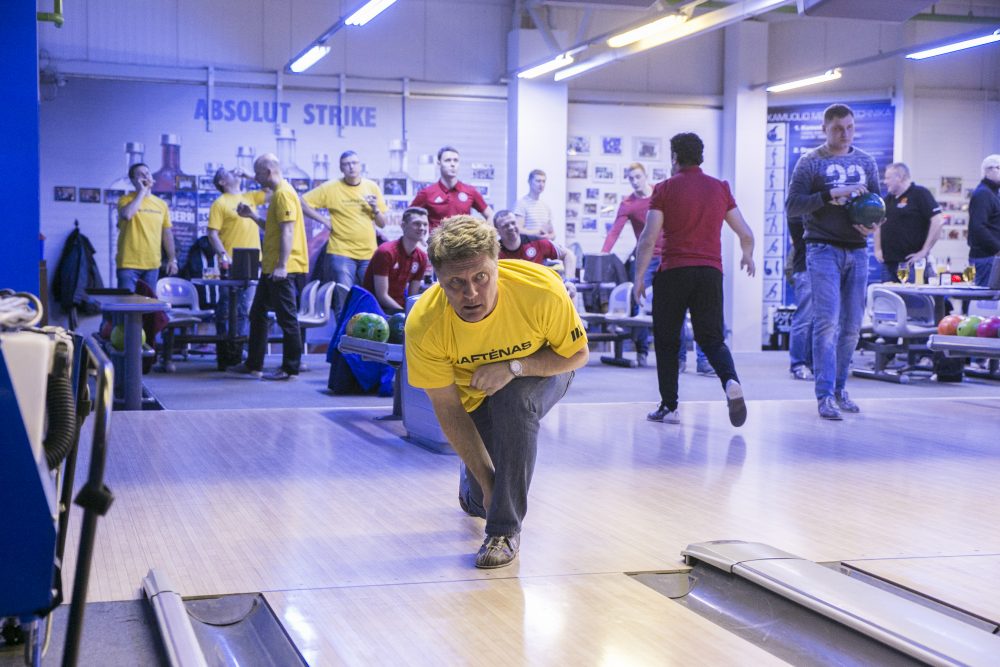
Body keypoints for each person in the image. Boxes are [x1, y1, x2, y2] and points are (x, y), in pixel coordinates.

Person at [405, 215, 588, 569]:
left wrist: (513, 367)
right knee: (481, 498)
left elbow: (578, 354)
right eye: (456, 283)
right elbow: (448, 407)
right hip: (474, 395)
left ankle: (503, 532)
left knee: (514, 400)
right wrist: (488, 486)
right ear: (437, 279)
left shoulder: (541, 290)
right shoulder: (425, 325)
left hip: (546, 369)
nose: (471, 293)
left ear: (497, 264)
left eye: (481, 277)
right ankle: (473, 488)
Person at [634, 133, 755, 427]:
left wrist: (639, 278)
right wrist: (747, 255)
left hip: (674, 272)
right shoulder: (720, 188)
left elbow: (648, 238)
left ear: (675, 156)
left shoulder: (664, 188)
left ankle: (669, 407)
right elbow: (745, 233)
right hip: (710, 274)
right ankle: (730, 381)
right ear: (700, 156)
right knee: (711, 339)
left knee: (667, 341)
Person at [786, 103, 881, 420]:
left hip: (858, 250)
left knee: (852, 327)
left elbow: (877, 204)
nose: (845, 133)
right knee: (827, 323)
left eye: (850, 127)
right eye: (838, 128)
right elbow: (793, 206)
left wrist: (873, 225)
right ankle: (824, 395)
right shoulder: (810, 162)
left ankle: (840, 389)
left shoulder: (866, 161)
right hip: (822, 249)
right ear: (825, 128)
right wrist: (831, 194)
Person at [602, 162, 709, 371]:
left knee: (676, 304)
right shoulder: (628, 204)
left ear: (645, 176)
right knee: (639, 301)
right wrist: (603, 254)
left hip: (670, 255)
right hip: (646, 258)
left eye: (638, 177)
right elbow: (614, 231)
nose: (635, 181)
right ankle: (642, 351)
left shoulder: (661, 193)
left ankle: (679, 358)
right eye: (631, 178)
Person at [229, 153, 309, 381]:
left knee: (287, 319)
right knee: (257, 314)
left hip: (283, 268)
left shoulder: (283, 193)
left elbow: (288, 231)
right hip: (271, 267)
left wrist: (282, 265)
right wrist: (252, 216)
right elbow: (275, 228)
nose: (255, 178)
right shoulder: (278, 193)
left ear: (268, 172)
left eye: (257, 173)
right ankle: (254, 365)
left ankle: (290, 369)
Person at [301, 150, 387, 312]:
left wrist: (375, 209)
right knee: (343, 298)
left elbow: (382, 224)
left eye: (354, 163)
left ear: (360, 166)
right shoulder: (330, 187)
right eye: (346, 164)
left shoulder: (371, 187)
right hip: (341, 252)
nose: (351, 167)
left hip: (369, 253)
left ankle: (364, 329)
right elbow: (301, 202)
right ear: (341, 168)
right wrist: (324, 221)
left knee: (369, 298)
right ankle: (343, 328)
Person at [206, 166, 267, 349]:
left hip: (253, 260)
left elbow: (272, 190)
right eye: (229, 172)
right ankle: (224, 347)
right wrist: (224, 256)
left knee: (246, 307)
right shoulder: (220, 203)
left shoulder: (251, 196)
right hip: (230, 262)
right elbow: (212, 234)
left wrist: (251, 176)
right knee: (226, 306)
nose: (235, 172)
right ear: (222, 182)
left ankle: (239, 348)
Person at [875, 162, 944, 283]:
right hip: (888, 264)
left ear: (900, 177)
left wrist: (924, 251)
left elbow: (938, 221)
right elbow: (878, 224)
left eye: (888, 178)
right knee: (886, 296)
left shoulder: (920, 194)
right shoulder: (887, 200)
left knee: (910, 295)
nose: (885, 182)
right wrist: (877, 249)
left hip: (911, 264)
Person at [116, 162, 177, 291]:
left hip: (152, 265)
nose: (146, 176)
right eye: (140, 174)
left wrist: (172, 259)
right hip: (128, 264)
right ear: (133, 180)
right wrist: (142, 192)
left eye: (147, 173)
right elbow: (127, 215)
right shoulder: (125, 200)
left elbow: (167, 233)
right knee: (126, 302)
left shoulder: (161, 204)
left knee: (148, 303)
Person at [361, 206, 430, 314]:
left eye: (425, 224)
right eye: (417, 223)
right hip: (374, 310)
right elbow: (382, 296)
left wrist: (410, 313)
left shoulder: (422, 257)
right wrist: (404, 314)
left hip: (398, 309)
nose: (422, 228)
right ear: (403, 226)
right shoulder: (386, 252)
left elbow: (412, 297)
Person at [411, 146, 494, 231]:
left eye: (456, 160)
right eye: (448, 160)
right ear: (439, 164)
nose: (452, 164)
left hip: (463, 239)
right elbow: (408, 218)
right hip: (436, 239)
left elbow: (490, 215)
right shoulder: (427, 193)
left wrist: (483, 237)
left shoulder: (470, 191)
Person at [494, 209, 575, 274]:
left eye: (513, 223)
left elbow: (568, 254)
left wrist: (569, 281)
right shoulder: (494, 253)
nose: (511, 227)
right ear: (497, 231)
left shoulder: (537, 242)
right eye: (505, 226)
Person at [786, 216, 813, 380]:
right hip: (804, 268)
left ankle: (813, 363)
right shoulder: (798, 209)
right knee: (804, 318)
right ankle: (798, 364)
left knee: (821, 321)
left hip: (822, 268)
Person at [968, 154, 1000, 287]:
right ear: (988, 171)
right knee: (984, 297)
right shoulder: (983, 194)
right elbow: (978, 227)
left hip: (991, 257)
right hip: (986, 258)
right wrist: (998, 248)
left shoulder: (993, 194)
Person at [513, 169, 554, 238]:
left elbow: (553, 233)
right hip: (529, 244)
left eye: (543, 181)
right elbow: (518, 229)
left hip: (544, 243)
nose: (541, 184)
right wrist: (536, 234)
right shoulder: (521, 204)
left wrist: (548, 236)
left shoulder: (545, 206)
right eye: (538, 181)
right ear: (529, 182)